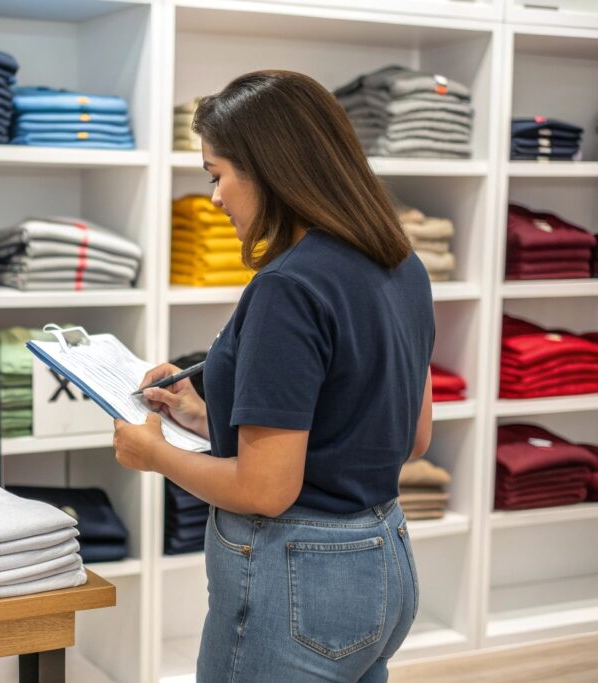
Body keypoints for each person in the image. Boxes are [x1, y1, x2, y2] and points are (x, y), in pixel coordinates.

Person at [112, 70, 435, 682]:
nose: (213, 197)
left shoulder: (287, 287)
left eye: (217, 175)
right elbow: (407, 435)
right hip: (385, 563)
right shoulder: (402, 265)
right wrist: (205, 417)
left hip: (300, 580)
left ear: (270, 169)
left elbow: (266, 491)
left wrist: (154, 454)